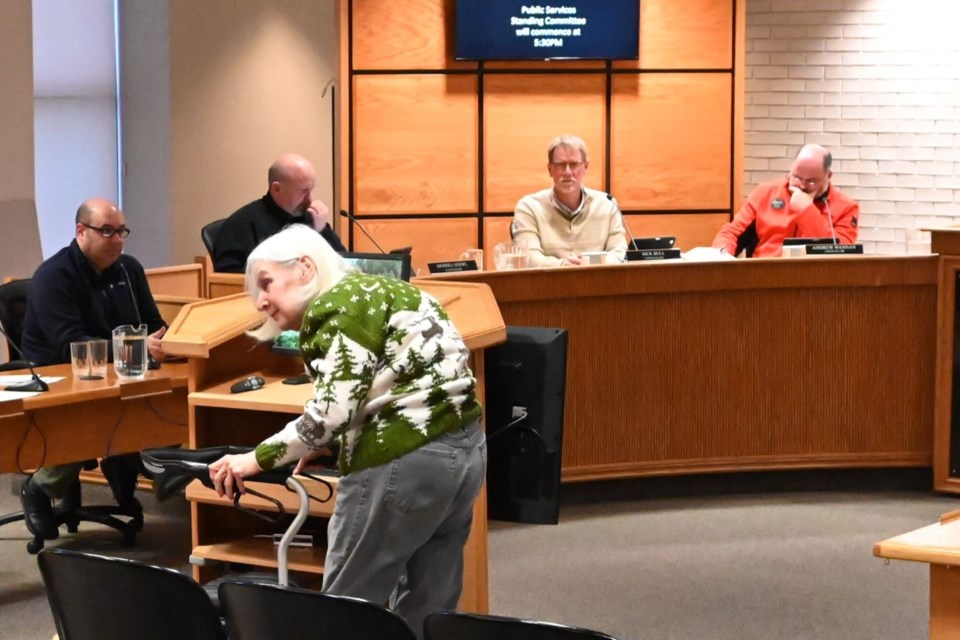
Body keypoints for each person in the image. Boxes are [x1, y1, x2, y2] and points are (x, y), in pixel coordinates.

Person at [208, 224, 484, 637]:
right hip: (465, 455)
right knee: (430, 604)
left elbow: (331, 413)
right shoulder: (390, 291)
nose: (261, 301)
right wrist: (332, 444)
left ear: (304, 268)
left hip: (402, 460)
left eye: (266, 283)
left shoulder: (334, 307)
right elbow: (392, 379)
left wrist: (254, 458)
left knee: (346, 610)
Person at [19, 198, 168, 541]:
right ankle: (39, 487)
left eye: (121, 231)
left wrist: (168, 340)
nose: (117, 239)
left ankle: (125, 458)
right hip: (58, 375)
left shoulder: (129, 269)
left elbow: (154, 322)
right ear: (81, 231)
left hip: (121, 369)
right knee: (91, 419)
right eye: (107, 231)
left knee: (161, 404)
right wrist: (136, 347)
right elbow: (71, 345)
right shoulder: (53, 276)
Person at [712, 144, 860, 258]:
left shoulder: (846, 207)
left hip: (816, 283)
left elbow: (841, 253)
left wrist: (807, 211)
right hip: (764, 275)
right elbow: (732, 232)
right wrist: (721, 255)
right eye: (797, 177)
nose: (802, 185)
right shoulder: (765, 193)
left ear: (828, 175)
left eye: (811, 181)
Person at [212, 153, 346, 272]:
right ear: (277, 189)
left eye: (311, 190)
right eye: (303, 191)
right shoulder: (243, 223)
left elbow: (343, 262)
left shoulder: (310, 217)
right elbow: (228, 276)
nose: (310, 198)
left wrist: (322, 231)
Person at [512, 134, 628, 267]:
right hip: (548, 284)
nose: (567, 172)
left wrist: (589, 263)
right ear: (550, 169)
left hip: (599, 283)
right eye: (560, 165)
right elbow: (529, 258)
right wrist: (563, 265)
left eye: (573, 164)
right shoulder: (529, 207)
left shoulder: (607, 204)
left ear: (585, 167)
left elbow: (619, 253)